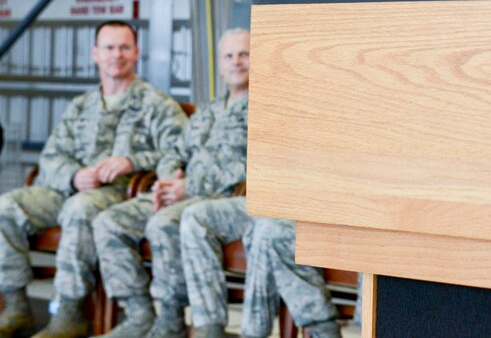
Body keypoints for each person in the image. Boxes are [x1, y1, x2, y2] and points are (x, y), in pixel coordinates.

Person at [0, 21, 188, 338]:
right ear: (95, 54)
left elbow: (180, 152)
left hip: (119, 195)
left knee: (81, 208)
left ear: (136, 53)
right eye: (109, 48)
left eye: (124, 47)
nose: (117, 55)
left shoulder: (157, 104)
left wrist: (131, 161)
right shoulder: (81, 105)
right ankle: (16, 306)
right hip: (69, 189)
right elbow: (51, 156)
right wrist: (74, 176)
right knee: (6, 206)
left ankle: (69, 313)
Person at [92, 28, 251, 338]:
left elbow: (250, 166)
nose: (236, 62)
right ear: (219, 64)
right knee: (109, 221)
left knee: (163, 223)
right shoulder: (208, 111)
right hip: (179, 193)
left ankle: (171, 317)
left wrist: (190, 187)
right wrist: (169, 179)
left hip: (219, 200)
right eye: (229, 56)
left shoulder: (268, 110)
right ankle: (139, 314)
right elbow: (174, 151)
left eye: (244, 54)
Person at [179, 197, 341, 338]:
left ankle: (254, 334)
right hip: (270, 195)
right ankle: (210, 329)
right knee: (195, 217)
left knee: (268, 229)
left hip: (316, 202)